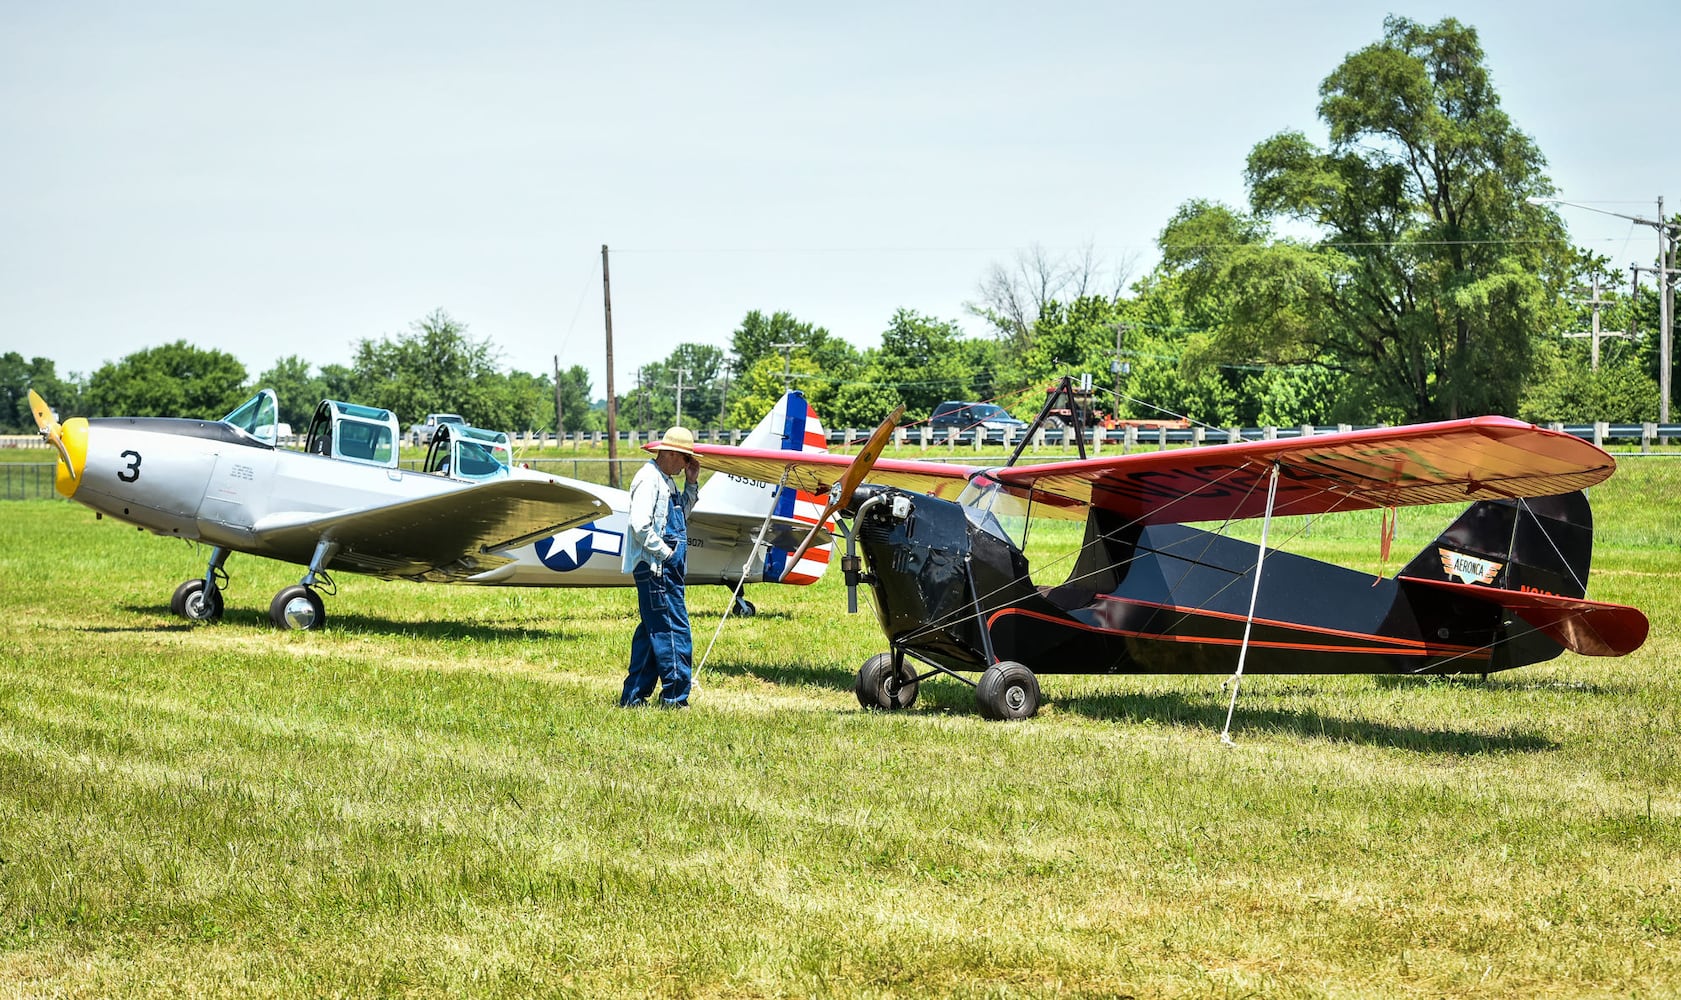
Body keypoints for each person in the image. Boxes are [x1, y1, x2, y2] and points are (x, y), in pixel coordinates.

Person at [620, 425, 701, 708]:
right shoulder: (649, 479)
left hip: (661, 567)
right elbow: (639, 524)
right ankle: (675, 699)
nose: (686, 464)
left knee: (652, 631)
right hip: (658, 569)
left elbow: (681, 517)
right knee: (674, 631)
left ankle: (633, 697)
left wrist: (692, 483)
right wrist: (667, 554)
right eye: (684, 459)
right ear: (668, 453)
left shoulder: (665, 480)